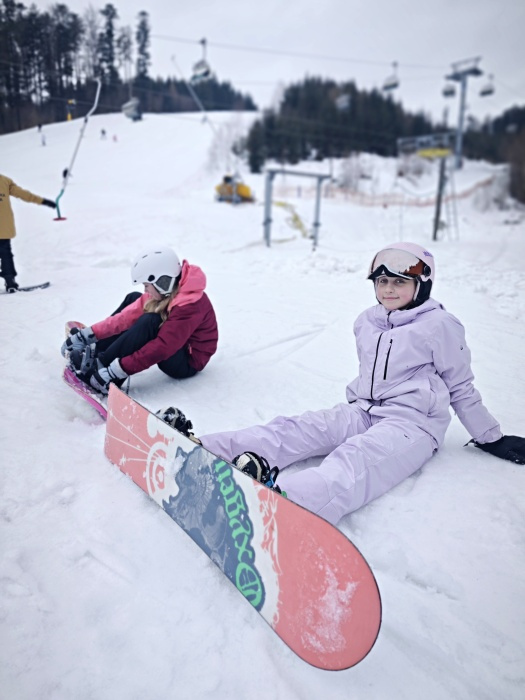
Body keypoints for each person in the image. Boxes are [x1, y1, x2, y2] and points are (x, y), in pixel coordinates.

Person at [159, 242, 525, 525]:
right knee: (293, 429)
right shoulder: (367, 321)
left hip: (412, 425)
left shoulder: (440, 326)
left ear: (421, 285)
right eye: (382, 281)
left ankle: (282, 501)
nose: (389, 289)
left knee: (355, 460)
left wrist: (490, 436)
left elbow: (460, 386)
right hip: (362, 410)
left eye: (400, 282)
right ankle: (200, 449)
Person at [61, 247, 218, 394]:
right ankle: (99, 349)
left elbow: (162, 347)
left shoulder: (189, 306)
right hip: (175, 343)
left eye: (147, 285)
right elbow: (125, 317)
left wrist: (116, 370)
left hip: (186, 362)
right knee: (134, 299)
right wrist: (90, 334)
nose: (145, 290)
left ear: (163, 282)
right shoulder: (170, 288)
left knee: (151, 321)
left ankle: (104, 368)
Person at [0, 174, 56, 292]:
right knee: (5, 254)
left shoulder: (5, 181)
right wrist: (43, 201)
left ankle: (10, 282)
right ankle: (10, 283)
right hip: (3, 227)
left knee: (5, 253)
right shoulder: (4, 180)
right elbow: (23, 194)